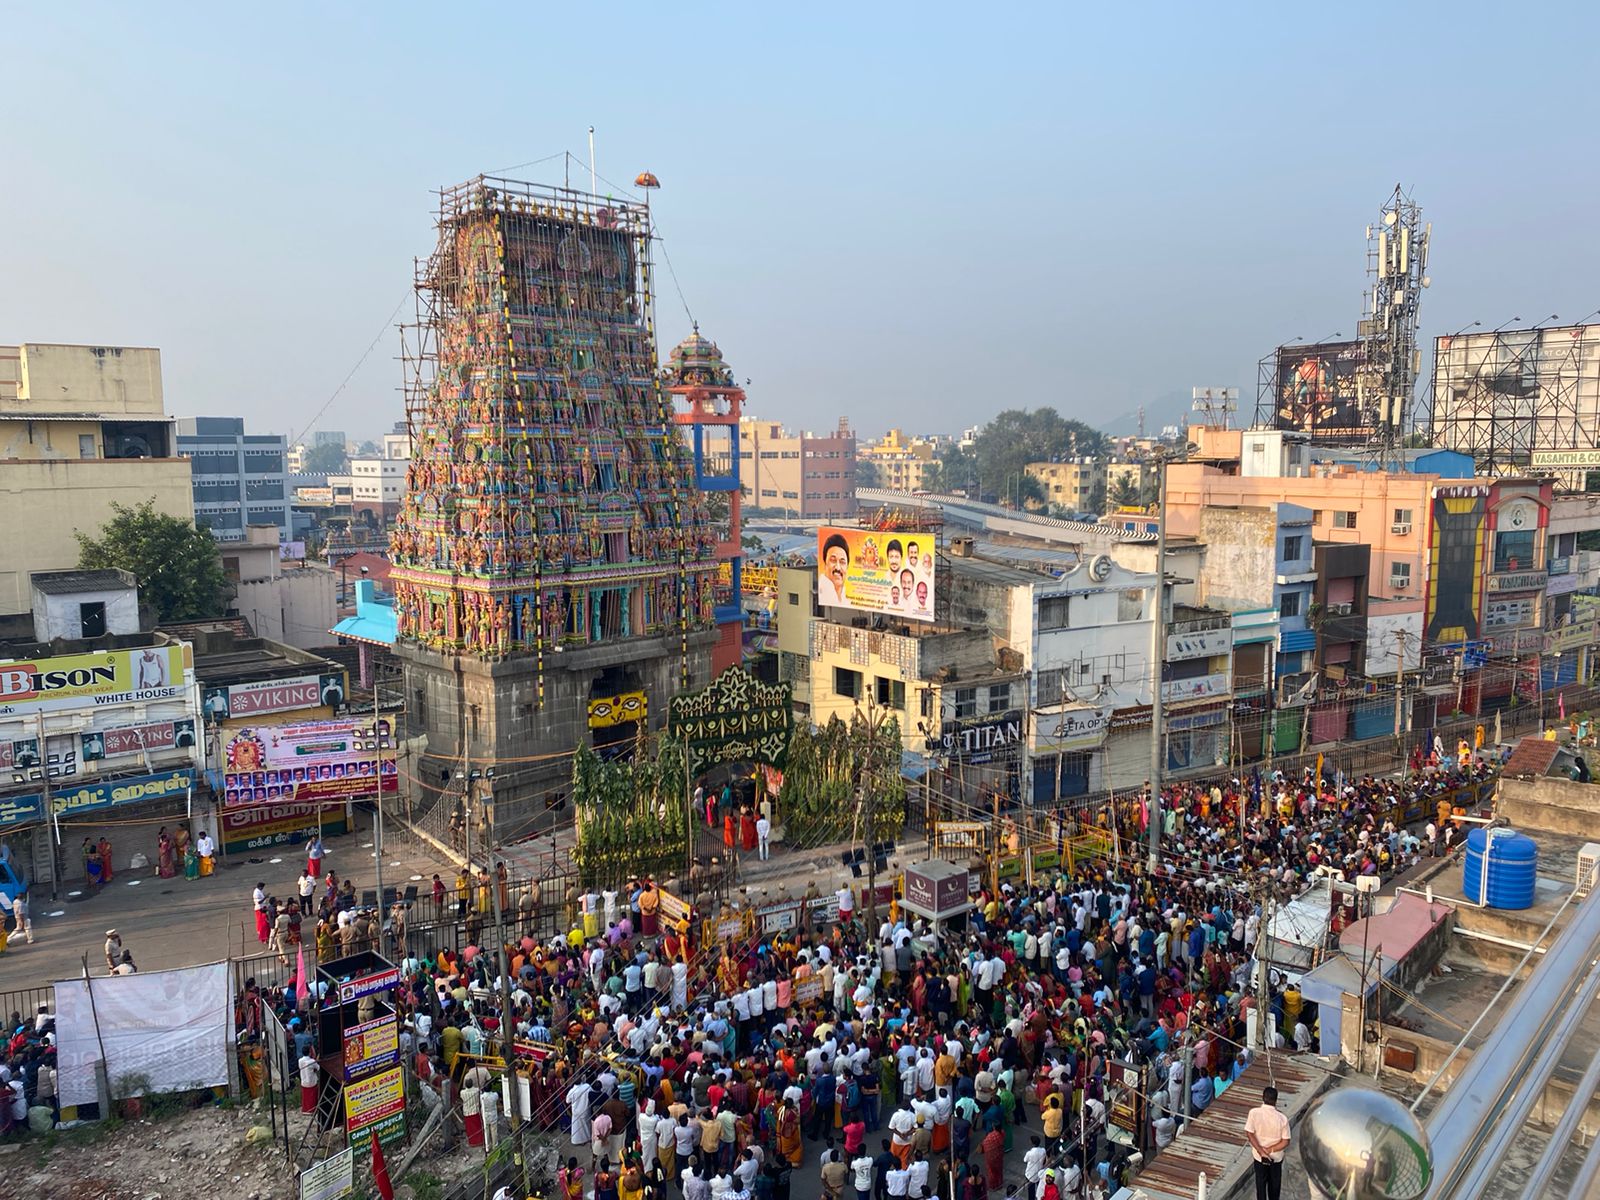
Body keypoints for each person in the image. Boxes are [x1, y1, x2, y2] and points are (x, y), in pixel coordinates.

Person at [1245, 1086, 1290, 1200]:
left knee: (1261, 1186)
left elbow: (1249, 1133)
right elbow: (1285, 1141)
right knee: (1274, 1188)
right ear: (1275, 1100)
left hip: (1259, 1157)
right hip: (1275, 1158)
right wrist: (1270, 1150)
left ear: (1263, 1098)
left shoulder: (1254, 1113)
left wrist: (1261, 1151)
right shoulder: (1282, 1118)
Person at [822, 535, 851, 606]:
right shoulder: (823, 592)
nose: (838, 568)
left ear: (847, 567)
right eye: (833, 560)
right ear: (824, 563)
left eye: (842, 562)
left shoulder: (848, 598)